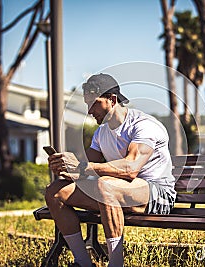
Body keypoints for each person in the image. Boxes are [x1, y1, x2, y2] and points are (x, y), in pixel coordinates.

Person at [45, 73, 176, 267]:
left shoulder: (144, 125)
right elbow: (86, 167)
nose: (89, 111)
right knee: (55, 192)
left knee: (104, 185)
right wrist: (67, 168)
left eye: (93, 103)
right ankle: (82, 262)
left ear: (112, 99)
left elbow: (131, 168)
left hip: (157, 193)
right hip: (116, 192)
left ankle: (116, 264)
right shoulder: (101, 132)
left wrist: (82, 167)